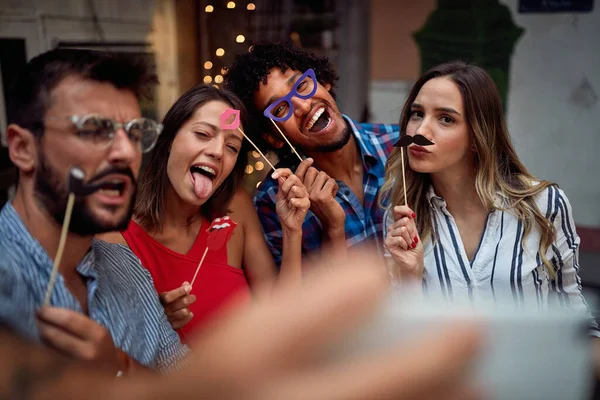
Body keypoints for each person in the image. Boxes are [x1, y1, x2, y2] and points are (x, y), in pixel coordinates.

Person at [0, 251, 482, 400]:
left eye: (232, 145)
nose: (123, 150)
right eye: (95, 129)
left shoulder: (117, 262)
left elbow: (176, 370)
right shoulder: (128, 243)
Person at [0, 48, 188, 374]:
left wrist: (120, 368)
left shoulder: (125, 267)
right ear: (23, 148)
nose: (126, 152)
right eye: (93, 129)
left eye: (133, 133)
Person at [381, 61, 599, 336]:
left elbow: (575, 317)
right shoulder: (401, 216)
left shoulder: (544, 205)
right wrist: (410, 278)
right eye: (416, 114)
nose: (420, 132)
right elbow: (403, 340)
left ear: (477, 136)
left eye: (446, 119)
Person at [99, 84, 310, 337]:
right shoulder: (114, 236)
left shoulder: (236, 209)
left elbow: (283, 322)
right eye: (202, 134)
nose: (218, 151)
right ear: (168, 140)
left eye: (232, 147)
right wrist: (154, 327)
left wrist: (292, 230)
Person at [224, 41, 400, 266]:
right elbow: (303, 300)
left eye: (302, 85)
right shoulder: (276, 203)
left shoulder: (400, 145)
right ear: (272, 138)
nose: (303, 106)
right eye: (280, 109)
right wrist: (332, 229)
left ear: (322, 82)